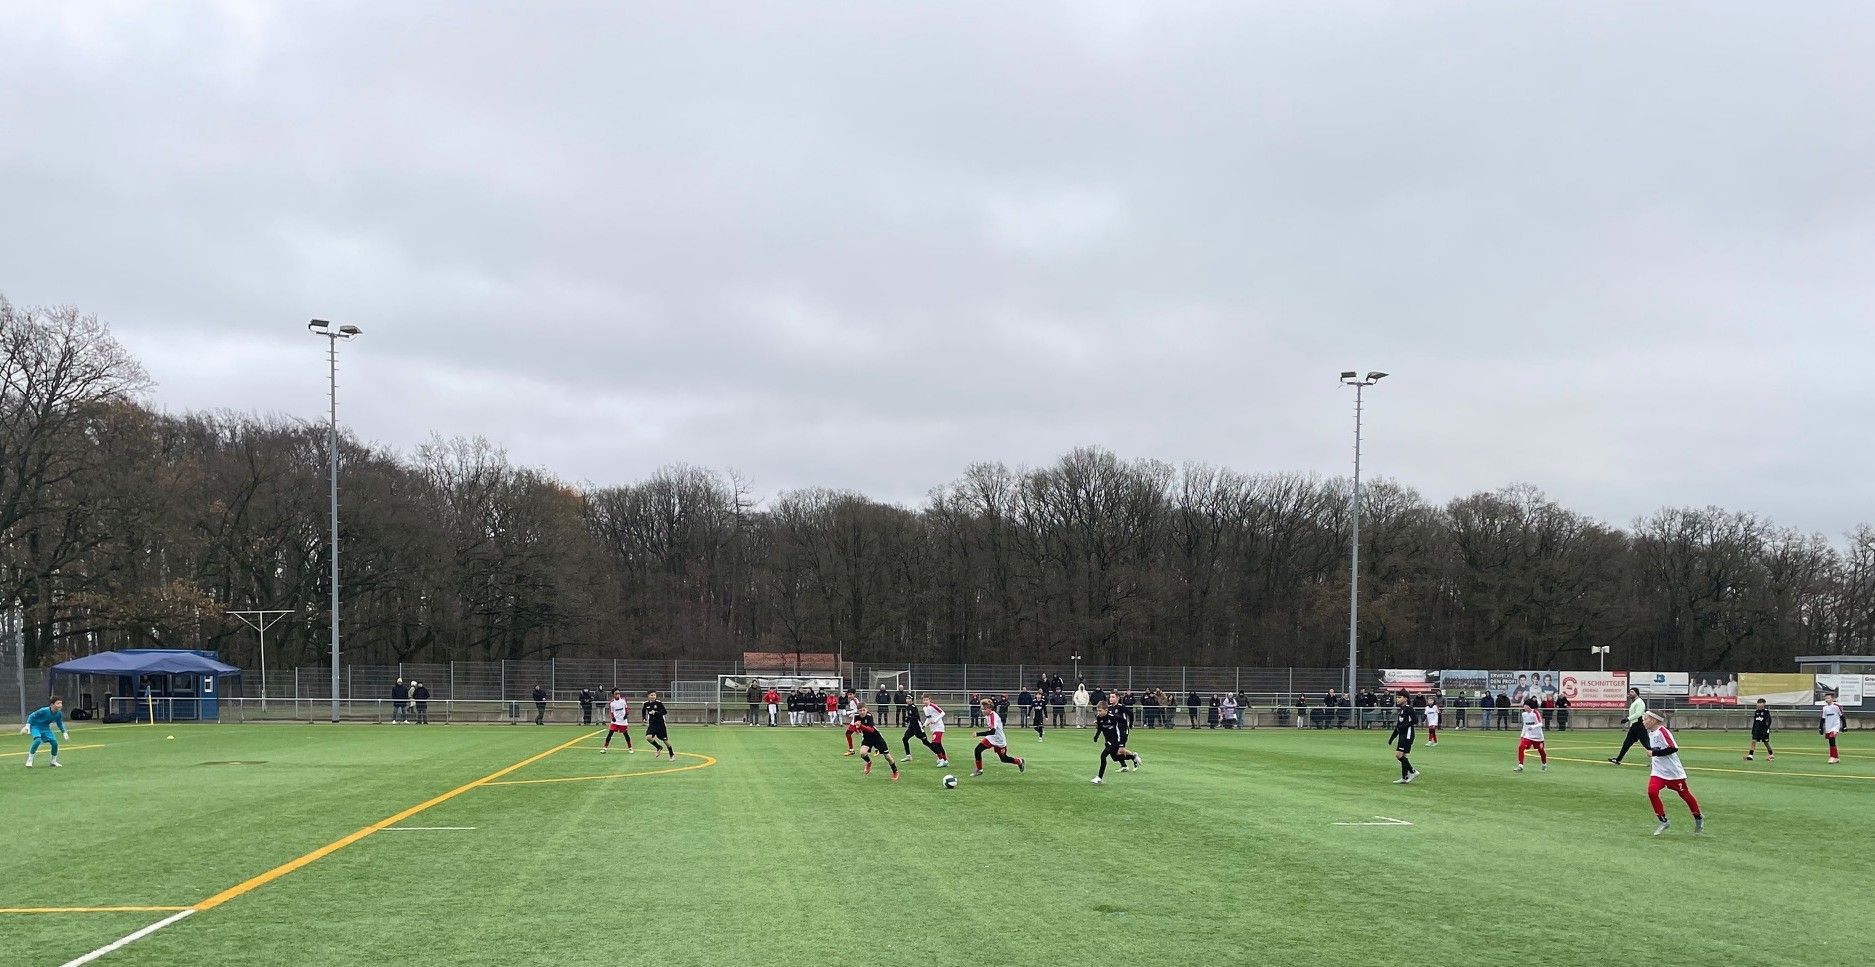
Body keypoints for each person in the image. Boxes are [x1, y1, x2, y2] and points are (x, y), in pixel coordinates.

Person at [1642, 710, 1703, 835]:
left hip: (1673, 772)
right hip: (1658, 772)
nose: (1644, 721)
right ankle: (1663, 821)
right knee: (1652, 792)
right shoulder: (1651, 733)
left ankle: (1698, 817)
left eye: (1645, 719)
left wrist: (1654, 753)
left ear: (1653, 720)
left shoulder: (1663, 732)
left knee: (1684, 794)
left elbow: (1673, 748)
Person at [970, 698, 1025, 777]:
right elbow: (991, 732)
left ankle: (1019, 761)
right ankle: (979, 770)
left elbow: (993, 731)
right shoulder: (987, 715)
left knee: (1004, 759)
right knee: (977, 750)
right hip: (991, 738)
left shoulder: (993, 716)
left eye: (984, 709)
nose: (982, 711)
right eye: (982, 709)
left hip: (999, 740)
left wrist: (978, 734)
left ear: (989, 708)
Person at [1090, 699, 1140, 783]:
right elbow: (1100, 728)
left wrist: (1126, 728)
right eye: (1098, 710)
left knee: (1103, 756)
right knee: (1115, 758)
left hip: (1115, 740)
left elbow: (1123, 720)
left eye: (1100, 711)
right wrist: (1096, 736)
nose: (1098, 712)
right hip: (1108, 740)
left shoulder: (1112, 717)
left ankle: (1099, 777)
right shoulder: (1099, 717)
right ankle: (1132, 757)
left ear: (1106, 710)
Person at [852, 704, 899, 780]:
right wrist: (856, 729)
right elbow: (856, 726)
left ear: (867, 710)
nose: (862, 712)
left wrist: (861, 726)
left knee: (887, 756)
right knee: (863, 753)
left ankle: (895, 771)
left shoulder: (869, 716)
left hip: (876, 738)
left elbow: (871, 730)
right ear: (858, 711)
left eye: (864, 710)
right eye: (860, 710)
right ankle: (869, 762)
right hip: (867, 738)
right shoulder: (856, 716)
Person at [21, 697, 70, 767]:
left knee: (54, 743)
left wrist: (64, 732)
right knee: (37, 740)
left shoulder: (59, 714)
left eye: (61, 703)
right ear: (52, 705)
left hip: (46, 728)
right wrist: (27, 726)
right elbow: (32, 716)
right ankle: (29, 760)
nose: (60, 705)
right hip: (35, 727)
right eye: (58, 703)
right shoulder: (44, 710)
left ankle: (53, 761)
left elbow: (59, 723)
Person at [1608, 688, 1649, 765]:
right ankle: (1618, 760)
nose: (1630, 693)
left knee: (1647, 744)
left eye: (1632, 692)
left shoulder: (1639, 702)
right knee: (1627, 743)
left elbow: (1638, 714)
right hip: (1635, 726)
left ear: (1636, 693)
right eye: (1630, 692)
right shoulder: (1635, 702)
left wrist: (1627, 719)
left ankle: (1659, 760)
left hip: (1639, 726)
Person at [1386, 693, 1420, 784]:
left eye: (1399, 697)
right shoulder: (1401, 709)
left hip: (1408, 734)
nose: (1397, 699)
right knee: (1403, 756)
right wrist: (1392, 737)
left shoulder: (1409, 708)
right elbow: (1398, 725)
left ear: (1405, 699)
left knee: (1398, 755)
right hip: (1402, 734)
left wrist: (1404, 726)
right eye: (1397, 697)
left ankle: (1413, 771)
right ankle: (1404, 777)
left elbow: (1415, 720)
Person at [1514, 697, 1548, 772]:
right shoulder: (1524, 714)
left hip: (1538, 737)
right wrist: (1522, 735)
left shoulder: (1535, 713)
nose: (1524, 707)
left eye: (1525, 705)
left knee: (1541, 750)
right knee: (1521, 747)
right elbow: (1525, 725)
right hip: (1528, 736)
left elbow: (1540, 724)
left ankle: (1544, 764)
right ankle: (1520, 765)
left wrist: (1533, 727)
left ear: (1529, 706)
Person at [642, 690, 674, 760]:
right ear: (648, 696)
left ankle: (671, 754)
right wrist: (644, 718)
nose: (653, 696)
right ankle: (658, 747)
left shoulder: (658, 703)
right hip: (652, 725)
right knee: (648, 737)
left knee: (665, 740)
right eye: (651, 695)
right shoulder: (646, 704)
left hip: (660, 725)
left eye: (654, 695)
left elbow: (664, 712)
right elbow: (643, 711)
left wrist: (656, 713)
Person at [920, 694, 950, 767]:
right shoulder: (925, 709)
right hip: (933, 728)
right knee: (938, 744)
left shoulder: (933, 706)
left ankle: (941, 759)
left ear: (930, 700)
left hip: (939, 727)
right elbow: (929, 718)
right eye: (924, 700)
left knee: (935, 743)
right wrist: (924, 725)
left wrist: (935, 720)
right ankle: (945, 760)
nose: (925, 701)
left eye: (927, 700)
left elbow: (942, 713)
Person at [1820, 692, 1843, 764]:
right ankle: (1836, 758)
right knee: (1831, 741)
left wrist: (1844, 726)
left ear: (1832, 699)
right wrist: (1820, 727)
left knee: (1832, 738)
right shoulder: (1825, 708)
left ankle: (1832, 757)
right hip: (1828, 727)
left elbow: (1842, 716)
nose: (1826, 699)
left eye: (1828, 698)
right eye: (1825, 698)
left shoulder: (1836, 707)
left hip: (1835, 726)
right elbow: (1823, 718)